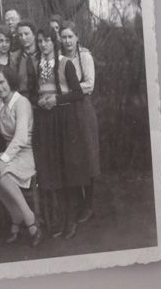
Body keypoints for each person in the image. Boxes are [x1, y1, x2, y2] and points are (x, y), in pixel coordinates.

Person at [31, 26, 86, 239]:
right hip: (46, 121)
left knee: (67, 170)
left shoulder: (65, 64)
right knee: (52, 170)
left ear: (54, 42)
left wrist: (56, 100)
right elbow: (37, 92)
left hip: (64, 120)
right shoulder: (37, 65)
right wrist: (41, 101)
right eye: (40, 41)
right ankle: (60, 220)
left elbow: (78, 94)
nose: (43, 45)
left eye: (46, 40)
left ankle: (71, 221)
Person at [0, 67, 41, 246]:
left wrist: (4, 159)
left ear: (10, 82)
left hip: (24, 152)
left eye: (2, 82)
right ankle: (17, 214)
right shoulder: (0, 103)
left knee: (1, 171)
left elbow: (22, 137)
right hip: (10, 152)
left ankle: (29, 219)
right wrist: (3, 158)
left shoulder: (21, 102)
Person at [58, 21, 99, 223]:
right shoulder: (58, 58)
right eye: (63, 37)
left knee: (87, 154)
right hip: (66, 111)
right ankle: (78, 201)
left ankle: (89, 205)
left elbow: (90, 84)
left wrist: (67, 92)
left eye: (70, 37)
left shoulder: (84, 57)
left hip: (82, 109)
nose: (66, 41)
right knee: (73, 157)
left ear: (77, 37)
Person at [12, 21, 39, 102]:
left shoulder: (42, 54)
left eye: (26, 34)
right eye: (20, 35)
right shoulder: (14, 57)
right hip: (22, 99)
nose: (23, 38)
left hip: (42, 99)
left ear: (34, 35)